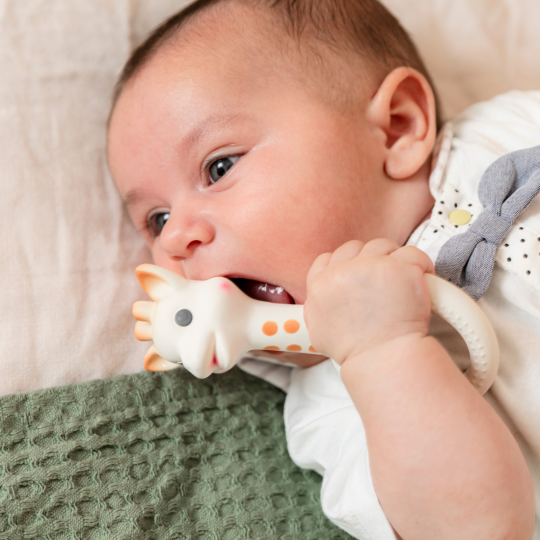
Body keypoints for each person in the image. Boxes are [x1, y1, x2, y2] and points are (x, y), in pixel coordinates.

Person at [107, 0, 539, 538]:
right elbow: (480, 529)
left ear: (397, 128)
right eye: (156, 218)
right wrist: (381, 352)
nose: (175, 238)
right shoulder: (338, 403)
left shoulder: (507, 130)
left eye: (219, 167)